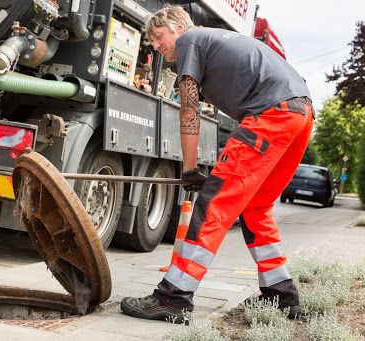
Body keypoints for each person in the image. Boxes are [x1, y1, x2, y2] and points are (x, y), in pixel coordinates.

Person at [120, 5, 314, 323]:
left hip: (270, 115)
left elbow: (189, 110)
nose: (154, 46)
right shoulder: (216, 42)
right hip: (299, 113)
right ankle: (282, 297)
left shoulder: (191, 40)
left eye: (157, 36)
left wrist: (189, 168)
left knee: (212, 207)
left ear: (179, 28)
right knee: (255, 208)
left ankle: (173, 298)